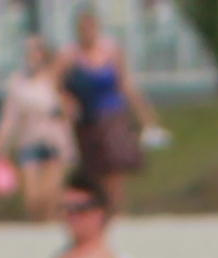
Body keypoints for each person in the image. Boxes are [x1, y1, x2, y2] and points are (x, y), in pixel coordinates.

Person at [62, 11, 151, 183]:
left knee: (114, 164)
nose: (87, 32)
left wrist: (144, 115)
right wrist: (66, 101)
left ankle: (115, 200)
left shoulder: (111, 50)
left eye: (90, 27)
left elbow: (124, 83)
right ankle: (102, 198)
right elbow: (57, 84)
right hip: (87, 118)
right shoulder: (70, 55)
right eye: (83, 28)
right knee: (95, 168)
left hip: (112, 114)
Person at [0, 35, 78, 208]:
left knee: (51, 193)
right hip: (29, 139)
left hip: (53, 139)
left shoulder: (54, 77)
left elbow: (69, 109)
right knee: (33, 196)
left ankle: (51, 220)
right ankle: (38, 220)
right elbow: (10, 117)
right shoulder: (17, 81)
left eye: (36, 51)